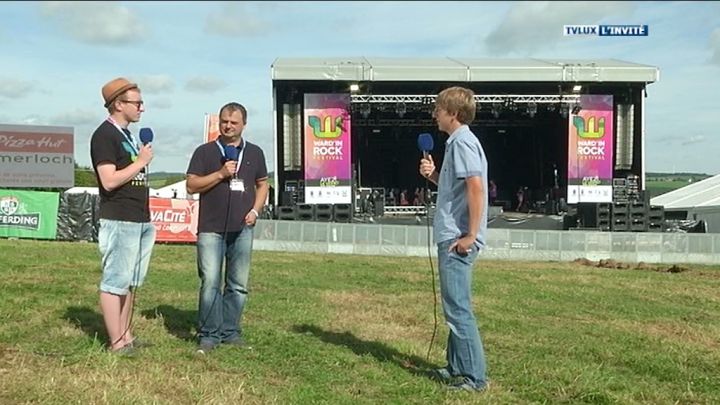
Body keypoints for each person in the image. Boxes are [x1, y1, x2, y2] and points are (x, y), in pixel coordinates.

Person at [418, 86, 489, 392]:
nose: (435, 113)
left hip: (458, 239)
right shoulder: (456, 143)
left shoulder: (462, 143)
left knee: (459, 310)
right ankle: (456, 366)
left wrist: (470, 235)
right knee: (452, 307)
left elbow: (475, 187)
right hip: (454, 235)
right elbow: (457, 188)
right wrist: (433, 175)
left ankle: (474, 379)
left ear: (454, 114)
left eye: (439, 109)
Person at [186, 102, 269, 354]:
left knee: (238, 284)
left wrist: (255, 210)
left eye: (233, 122)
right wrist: (221, 174)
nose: (228, 126)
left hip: (242, 229)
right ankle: (209, 334)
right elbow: (191, 185)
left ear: (244, 124)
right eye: (224, 121)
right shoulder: (205, 152)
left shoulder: (255, 152)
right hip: (211, 229)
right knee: (210, 281)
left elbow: (263, 184)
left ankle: (230, 331)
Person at [90, 77, 155, 355]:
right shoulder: (104, 135)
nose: (142, 108)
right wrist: (140, 162)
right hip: (119, 218)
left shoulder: (127, 135)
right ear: (118, 104)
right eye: (137, 102)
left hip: (138, 217)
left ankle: (126, 336)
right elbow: (108, 181)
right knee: (115, 280)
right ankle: (116, 342)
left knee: (129, 281)